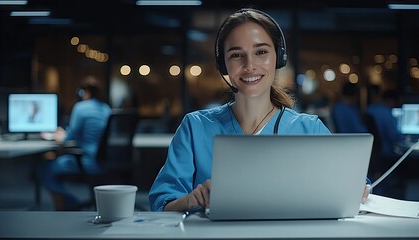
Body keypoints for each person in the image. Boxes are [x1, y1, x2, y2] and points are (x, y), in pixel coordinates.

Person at [149, 8, 370, 212]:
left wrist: (357, 188)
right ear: (223, 64)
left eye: (261, 52)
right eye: (236, 54)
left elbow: (354, 185)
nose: (249, 65)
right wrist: (191, 201)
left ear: (278, 58)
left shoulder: (309, 128)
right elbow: (161, 204)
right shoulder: (195, 127)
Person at [37, 77, 111, 210]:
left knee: (43, 169)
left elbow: (70, 137)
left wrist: (58, 135)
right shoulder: (106, 108)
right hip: (102, 161)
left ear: (83, 92)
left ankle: (70, 202)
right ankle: (68, 203)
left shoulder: (80, 107)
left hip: (85, 160)